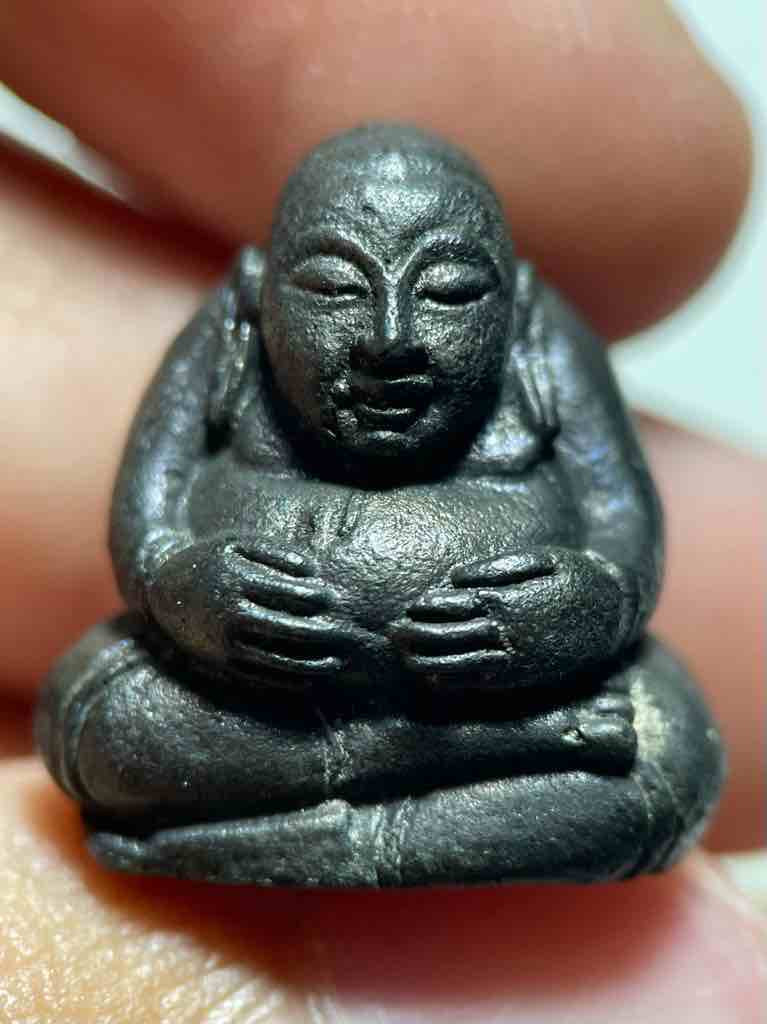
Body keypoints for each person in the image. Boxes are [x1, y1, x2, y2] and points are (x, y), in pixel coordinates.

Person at [0, 0, 763, 1019]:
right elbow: (146, 523)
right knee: (92, 719)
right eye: (334, 288)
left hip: (503, 696)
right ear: (262, 291)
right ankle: (453, 772)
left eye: (446, 292)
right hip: (266, 704)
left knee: (670, 749)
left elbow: (624, 537)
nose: (390, 339)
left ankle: (302, 828)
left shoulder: (545, 339)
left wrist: (576, 606)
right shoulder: (224, 332)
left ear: (510, 300)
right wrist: (189, 589)